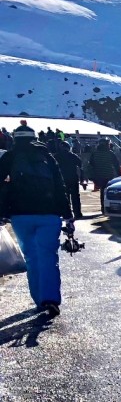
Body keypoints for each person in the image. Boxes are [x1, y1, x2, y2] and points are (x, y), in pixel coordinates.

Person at [0, 124, 74, 317]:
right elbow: (60, 187)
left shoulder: (9, 157)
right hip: (49, 214)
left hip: (20, 215)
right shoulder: (48, 158)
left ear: (15, 139)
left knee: (32, 257)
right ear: (35, 138)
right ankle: (50, 299)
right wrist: (68, 214)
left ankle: (39, 299)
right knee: (48, 257)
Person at [52, 138, 86, 219]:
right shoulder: (73, 156)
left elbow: (52, 169)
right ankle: (77, 213)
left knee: (64, 197)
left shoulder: (56, 156)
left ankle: (65, 213)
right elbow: (81, 167)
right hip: (73, 178)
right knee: (75, 197)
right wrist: (82, 179)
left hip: (62, 180)